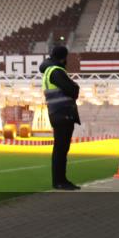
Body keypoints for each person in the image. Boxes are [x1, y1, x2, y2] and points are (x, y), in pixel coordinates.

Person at [39, 46, 81, 190]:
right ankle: (60, 181)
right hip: (63, 113)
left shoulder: (48, 71)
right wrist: (75, 86)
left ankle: (60, 180)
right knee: (61, 149)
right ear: (63, 57)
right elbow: (73, 90)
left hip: (56, 112)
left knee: (60, 149)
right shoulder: (56, 71)